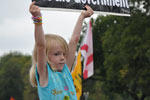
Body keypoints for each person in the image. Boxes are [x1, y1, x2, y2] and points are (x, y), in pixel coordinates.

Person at [29, 1, 93, 100]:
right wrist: (37, 19)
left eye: (64, 54)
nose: (63, 57)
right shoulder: (45, 73)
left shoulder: (66, 69)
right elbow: (40, 46)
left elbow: (73, 42)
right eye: (57, 54)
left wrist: (82, 17)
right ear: (45, 56)